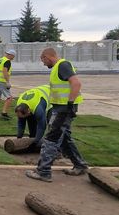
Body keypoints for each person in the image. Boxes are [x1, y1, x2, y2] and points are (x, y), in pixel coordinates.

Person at [26, 48, 89, 182]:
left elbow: (76, 83)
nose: (43, 63)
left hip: (63, 109)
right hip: (61, 107)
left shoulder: (62, 65)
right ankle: (80, 165)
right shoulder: (58, 67)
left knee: (51, 139)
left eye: (42, 60)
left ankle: (43, 171)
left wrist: (70, 104)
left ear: (46, 57)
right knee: (64, 138)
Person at [15, 85, 51, 153]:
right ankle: (33, 138)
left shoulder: (38, 110)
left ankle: (53, 146)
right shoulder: (20, 105)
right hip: (36, 96)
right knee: (31, 121)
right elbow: (21, 123)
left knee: (52, 123)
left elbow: (42, 127)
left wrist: (36, 142)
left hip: (51, 95)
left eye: (23, 116)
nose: (21, 118)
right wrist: (19, 138)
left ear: (28, 111)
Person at [0, 50, 16, 120]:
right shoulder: (7, 61)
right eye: (13, 56)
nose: (13, 58)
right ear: (10, 55)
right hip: (1, 81)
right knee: (9, 98)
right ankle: (4, 113)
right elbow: (4, 71)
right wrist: (7, 82)